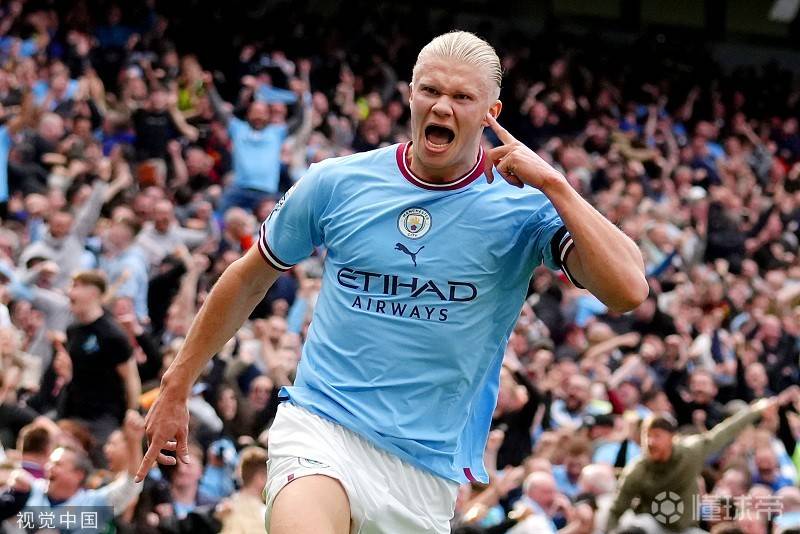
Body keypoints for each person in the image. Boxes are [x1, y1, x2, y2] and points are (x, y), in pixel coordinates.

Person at [137, 31, 647, 534]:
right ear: (410, 95)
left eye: (462, 97)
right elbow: (249, 278)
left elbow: (628, 290)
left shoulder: (525, 205)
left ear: (491, 112)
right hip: (322, 426)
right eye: (431, 90)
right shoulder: (337, 182)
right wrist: (176, 384)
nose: (442, 106)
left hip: (423, 470)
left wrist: (557, 185)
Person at [606, 388, 799, 533]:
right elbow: (616, 510)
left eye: (657, 436)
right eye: (647, 436)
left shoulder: (690, 452)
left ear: (671, 438)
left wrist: (757, 410)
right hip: (652, 525)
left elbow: (725, 431)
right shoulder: (638, 469)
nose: (651, 442)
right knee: (634, 526)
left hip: (684, 529)